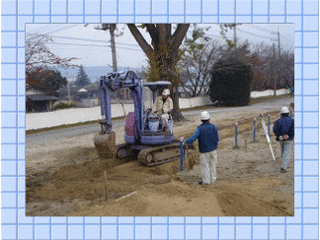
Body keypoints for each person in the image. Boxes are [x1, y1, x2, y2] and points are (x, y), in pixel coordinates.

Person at [180, 111, 219, 185]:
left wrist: (184, 141)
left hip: (204, 151)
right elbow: (217, 138)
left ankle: (206, 182)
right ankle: (213, 180)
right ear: (209, 119)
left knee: (205, 166)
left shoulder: (199, 129)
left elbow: (193, 138)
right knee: (213, 166)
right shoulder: (214, 127)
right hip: (213, 150)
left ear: (201, 120)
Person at [273, 106, 294, 173]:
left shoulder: (277, 121)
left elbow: (275, 129)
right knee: (286, 152)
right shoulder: (291, 120)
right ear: (288, 113)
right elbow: (293, 129)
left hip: (281, 139)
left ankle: (283, 164)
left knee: (283, 151)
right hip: (288, 139)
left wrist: (279, 136)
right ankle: (284, 167)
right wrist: (288, 135)